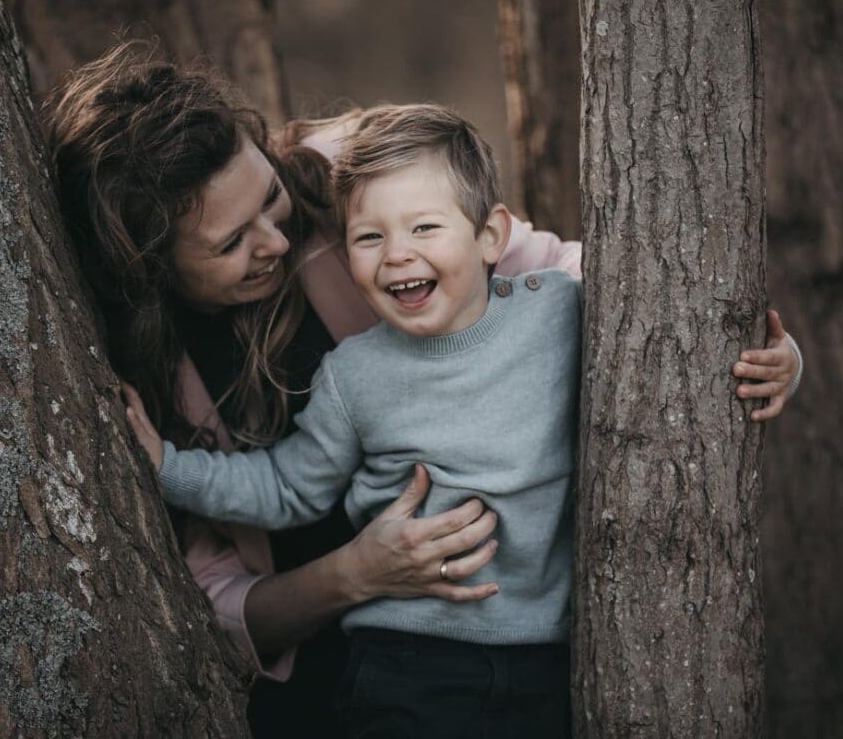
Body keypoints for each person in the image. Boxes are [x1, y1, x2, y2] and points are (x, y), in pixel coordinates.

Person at [44, 42, 803, 737]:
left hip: (537, 641)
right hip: (378, 669)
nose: (274, 241)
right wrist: (358, 573)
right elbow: (221, 591)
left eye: (267, 200)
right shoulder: (179, 377)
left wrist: (758, 349)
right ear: (152, 270)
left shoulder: (361, 183)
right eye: (231, 243)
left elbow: (590, 283)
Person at [124, 103, 586, 736]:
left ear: (489, 237)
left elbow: (662, 310)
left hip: (547, 649)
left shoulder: (553, 308)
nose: (398, 255)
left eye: (423, 229)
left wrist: (770, 355)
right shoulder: (353, 376)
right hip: (407, 658)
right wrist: (167, 469)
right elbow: (285, 486)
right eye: (370, 238)